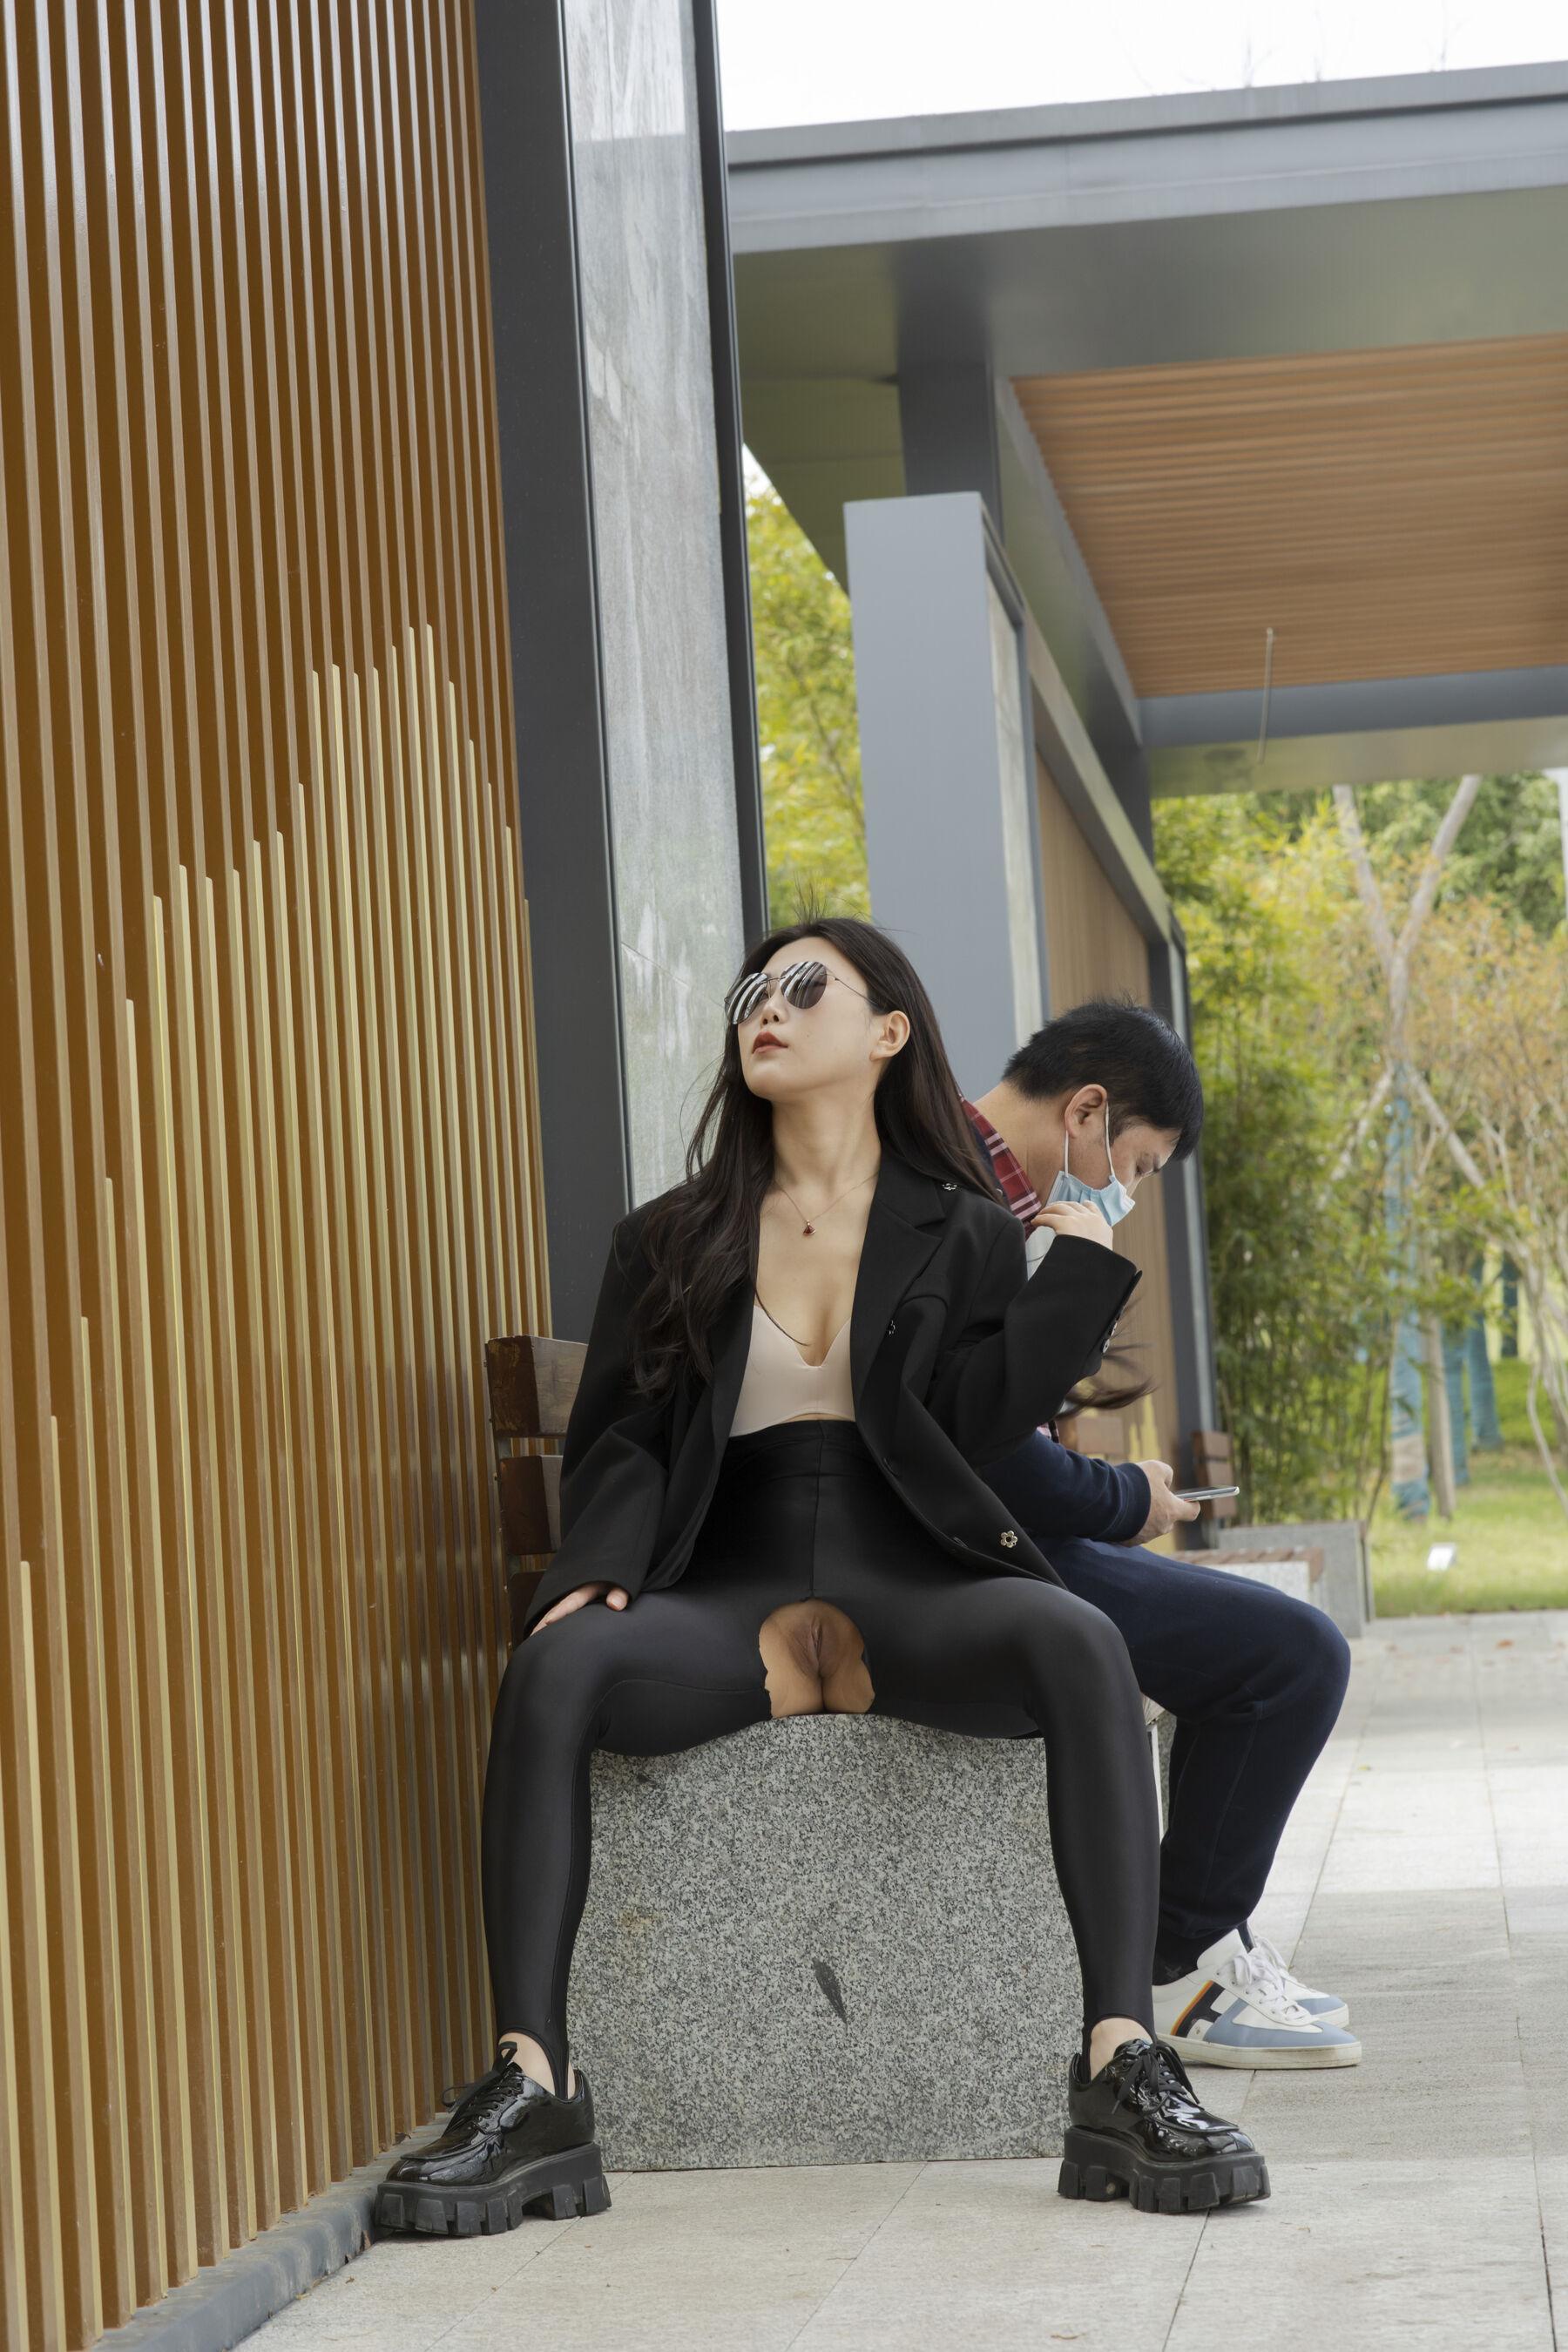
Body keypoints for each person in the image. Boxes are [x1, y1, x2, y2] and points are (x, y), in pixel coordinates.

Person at [375, 921, 1271, 2238]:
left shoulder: (963, 1229)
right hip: (724, 1581)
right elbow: (623, 1435)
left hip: (907, 1575)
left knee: (1079, 1639)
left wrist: (1079, 1259)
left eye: (805, 988)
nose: (769, 1008)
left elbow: (977, 1423)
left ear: (889, 1030)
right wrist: (597, 1569)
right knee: (557, 1664)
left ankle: (1121, 2061)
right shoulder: (669, 1235)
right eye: (754, 991)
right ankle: (533, 2086)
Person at [965, 997, 1358, 2068]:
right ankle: (1177, 1961)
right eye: (1135, 1165)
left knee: (1281, 1646)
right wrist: (1124, 1499)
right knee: (1292, 1657)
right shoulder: (969, 1203)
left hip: (995, 1537)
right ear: (1086, 1111)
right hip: (968, 1554)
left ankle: (1202, 1940)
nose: (1127, 1194)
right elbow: (983, 1452)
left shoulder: (992, 1192)